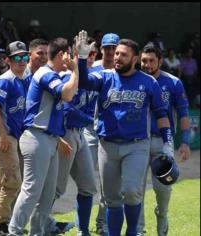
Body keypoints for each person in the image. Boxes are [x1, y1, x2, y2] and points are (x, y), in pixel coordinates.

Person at [79, 38, 173, 236]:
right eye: (116, 54)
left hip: (136, 145)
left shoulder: (149, 82)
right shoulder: (105, 77)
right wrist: (81, 58)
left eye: (123, 54)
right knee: (111, 198)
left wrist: (167, 143)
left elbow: (161, 114)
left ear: (135, 58)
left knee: (131, 190)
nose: (117, 57)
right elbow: (84, 81)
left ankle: (131, 231)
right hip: (107, 145)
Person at [8, 34, 86, 235]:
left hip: (49, 139)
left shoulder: (54, 74)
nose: (68, 59)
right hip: (36, 137)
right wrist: (75, 68)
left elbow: (74, 86)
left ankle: (37, 233)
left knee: (47, 194)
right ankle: (14, 231)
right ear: (61, 54)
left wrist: (80, 61)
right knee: (32, 191)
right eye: (67, 55)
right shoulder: (44, 73)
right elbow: (67, 94)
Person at [44, 32, 98, 236]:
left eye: (93, 52)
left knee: (88, 186)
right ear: (75, 54)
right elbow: (66, 108)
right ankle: (41, 226)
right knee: (56, 188)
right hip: (65, 133)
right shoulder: (67, 76)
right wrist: (88, 120)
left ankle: (83, 230)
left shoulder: (93, 78)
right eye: (85, 52)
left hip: (80, 134)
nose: (90, 56)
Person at [138, 44, 191, 236]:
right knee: (136, 190)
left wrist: (184, 141)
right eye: (144, 60)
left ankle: (162, 216)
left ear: (160, 61)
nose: (147, 64)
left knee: (163, 190)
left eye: (152, 60)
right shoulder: (133, 80)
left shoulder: (174, 82)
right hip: (137, 142)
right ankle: (139, 230)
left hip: (163, 142)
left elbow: (183, 113)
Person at [0, 41, 29, 235]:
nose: (22, 61)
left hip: (5, 136)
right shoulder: (6, 79)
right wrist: (3, 135)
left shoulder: (23, 79)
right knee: (12, 182)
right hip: (2, 136)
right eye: (17, 57)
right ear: (8, 60)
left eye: (25, 57)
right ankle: (0, 224)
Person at [85, 32, 120, 236]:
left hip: (109, 133)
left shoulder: (123, 71)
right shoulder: (93, 66)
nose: (109, 51)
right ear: (101, 49)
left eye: (113, 47)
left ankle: (101, 223)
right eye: (106, 47)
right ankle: (82, 224)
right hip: (88, 129)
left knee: (108, 184)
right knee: (86, 181)